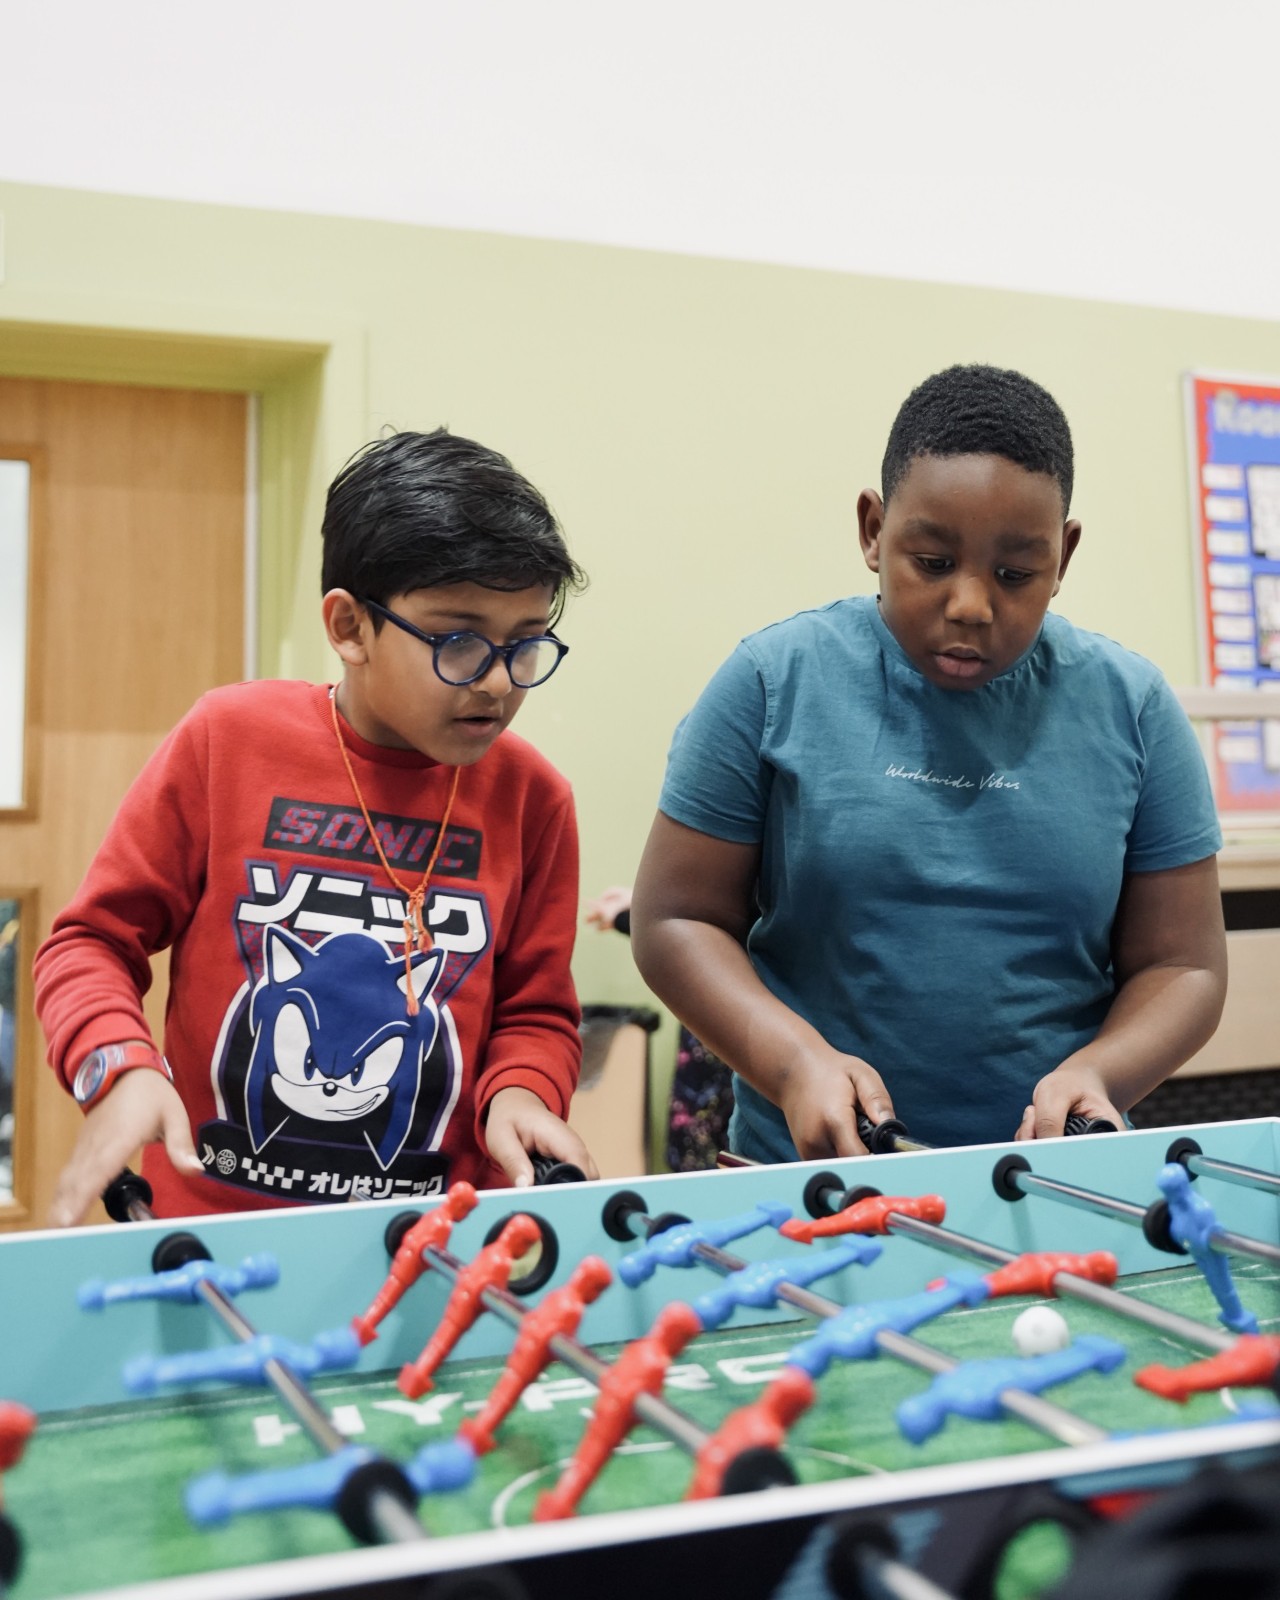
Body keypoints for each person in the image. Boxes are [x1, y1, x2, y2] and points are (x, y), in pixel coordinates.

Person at [630, 364, 1227, 1162]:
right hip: (813, 1181)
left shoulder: (1136, 708)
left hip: (1049, 1181)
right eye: (934, 561)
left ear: (1066, 553)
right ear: (874, 530)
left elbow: (1184, 966)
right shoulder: (773, 682)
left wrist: (1101, 1074)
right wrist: (795, 1061)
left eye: (1016, 574)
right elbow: (677, 920)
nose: (973, 604)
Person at [35, 428, 598, 1224]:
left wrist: (523, 1092)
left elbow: (533, 1015)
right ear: (348, 627)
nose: (499, 681)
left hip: (434, 1239)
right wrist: (120, 1068)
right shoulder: (227, 740)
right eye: (460, 642)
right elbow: (89, 944)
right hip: (209, 1229)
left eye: (525, 644)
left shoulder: (534, 799)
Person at [585, 886, 735, 1170]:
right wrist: (646, 903)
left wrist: (639, 912)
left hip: (732, 1058)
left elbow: (710, 934)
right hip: (712, 1051)